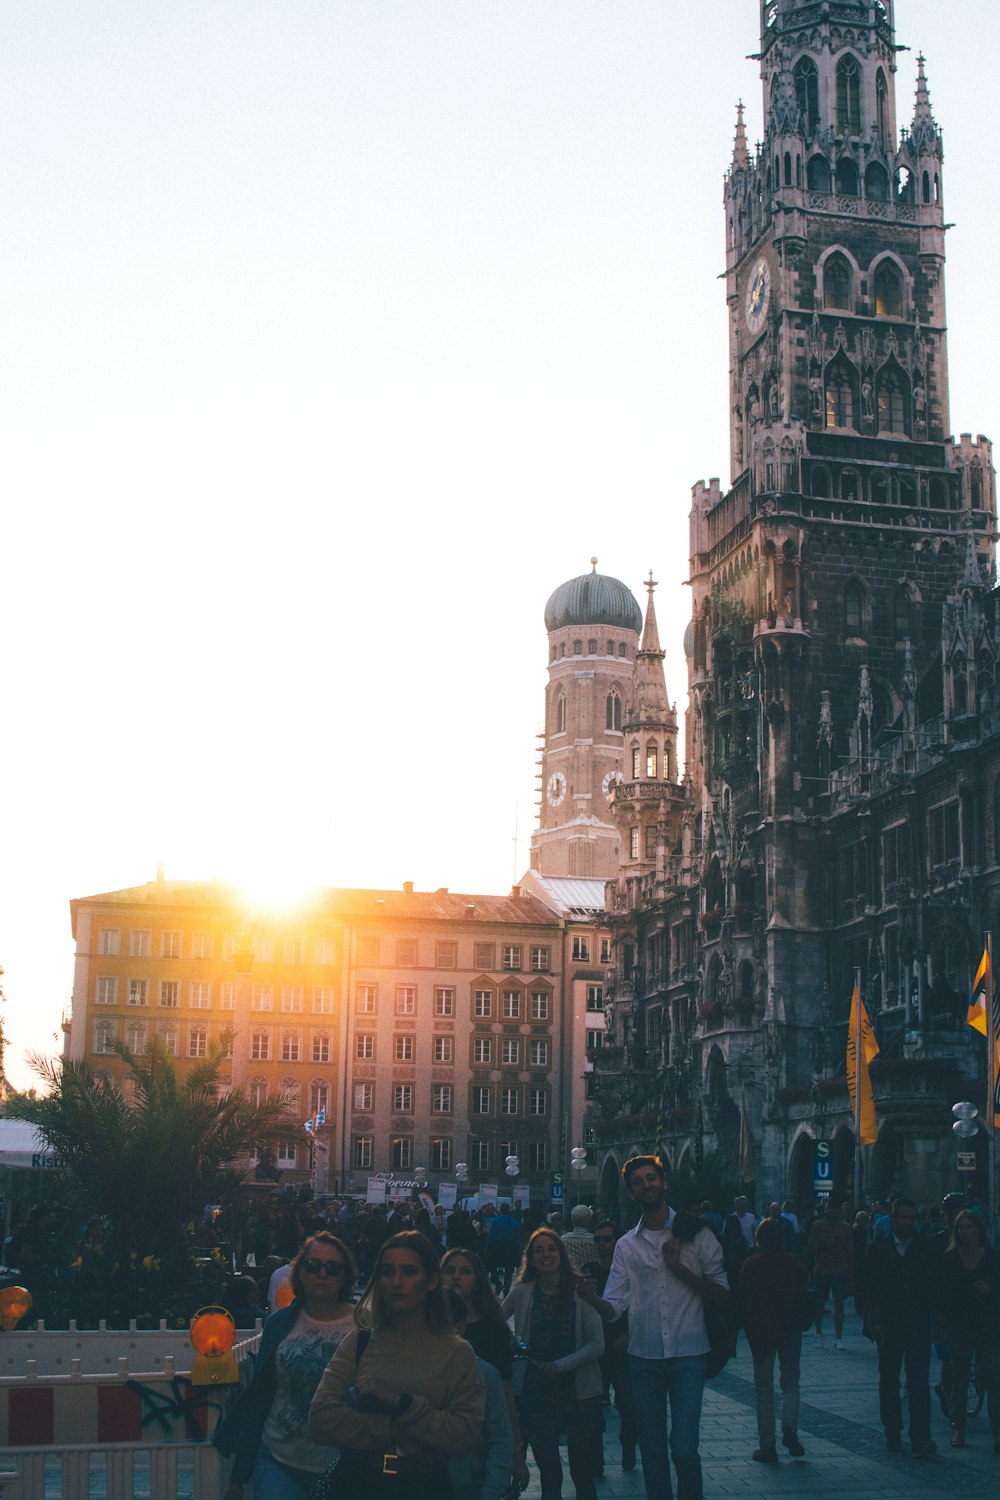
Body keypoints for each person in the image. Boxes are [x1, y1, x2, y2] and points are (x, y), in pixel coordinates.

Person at [578, 1155, 728, 1500]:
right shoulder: (627, 1245)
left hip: (690, 1353)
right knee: (653, 1449)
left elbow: (722, 1294)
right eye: (639, 1182)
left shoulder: (697, 1234)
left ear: (664, 1181)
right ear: (632, 1191)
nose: (647, 1185)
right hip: (643, 1358)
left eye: (652, 1178)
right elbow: (615, 1307)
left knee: (685, 1449)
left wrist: (682, 1272)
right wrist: (592, 1299)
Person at [309, 1230, 485, 1499]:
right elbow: (321, 1417)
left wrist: (398, 1403)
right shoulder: (360, 1341)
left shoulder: (457, 1352)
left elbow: (464, 1434)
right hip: (360, 1482)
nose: (396, 1281)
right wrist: (397, 1434)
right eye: (388, 1272)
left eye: (409, 1271)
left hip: (424, 1487)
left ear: (431, 1281)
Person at [213, 1232, 359, 1499]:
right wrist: (238, 1477)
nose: (322, 1274)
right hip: (278, 1458)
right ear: (300, 1272)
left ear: (345, 1276)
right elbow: (261, 1396)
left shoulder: (363, 1326)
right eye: (313, 1266)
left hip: (343, 1465)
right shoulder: (279, 1323)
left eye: (333, 1268)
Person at [502, 1228, 604, 1500]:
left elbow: (597, 1344)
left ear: (561, 1253)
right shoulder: (523, 1291)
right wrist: (515, 1345)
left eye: (551, 1248)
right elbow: (496, 1321)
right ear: (531, 1258)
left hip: (577, 1391)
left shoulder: (581, 1288)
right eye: (539, 1250)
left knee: (582, 1472)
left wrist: (562, 1365)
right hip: (537, 1391)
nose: (546, 1255)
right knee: (549, 1471)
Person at [441, 1247, 530, 1490]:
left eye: (465, 1271)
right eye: (450, 1271)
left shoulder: (493, 1331)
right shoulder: (423, 1326)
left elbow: (505, 1394)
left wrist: (516, 1452)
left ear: (477, 1281)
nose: (456, 1276)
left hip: (478, 1442)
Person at [865, 1196, 937, 1458]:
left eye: (911, 1218)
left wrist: (935, 1321)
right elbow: (870, 1289)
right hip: (889, 1325)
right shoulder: (879, 1248)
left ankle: (921, 1436)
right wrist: (873, 1322)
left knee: (919, 1381)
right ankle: (892, 1429)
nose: (908, 1223)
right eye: (903, 1218)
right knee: (889, 1379)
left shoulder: (923, 1247)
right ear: (893, 1219)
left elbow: (931, 1286)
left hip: (917, 1324)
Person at [738, 1219, 807, 1462]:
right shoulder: (794, 1263)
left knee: (764, 1389)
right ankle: (790, 1428)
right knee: (790, 1383)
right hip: (789, 1331)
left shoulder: (750, 1265)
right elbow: (802, 1296)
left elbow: (742, 1300)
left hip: (761, 1332)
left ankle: (767, 1445)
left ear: (759, 1239)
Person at [444, 1291, 516, 1500]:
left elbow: (499, 1438)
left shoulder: (484, 1374)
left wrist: (490, 1493)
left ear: (460, 1327)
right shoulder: (408, 1370)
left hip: (470, 1489)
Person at [940, 1209, 1000, 1452]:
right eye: (961, 1228)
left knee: (993, 1378)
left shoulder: (992, 1258)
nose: (965, 1232)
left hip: (987, 1325)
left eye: (968, 1227)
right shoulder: (951, 1258)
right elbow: (942, 1291)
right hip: (960, 1324)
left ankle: (997, 1433)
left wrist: (990, 1289)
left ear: (978, 1230)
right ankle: (959, 1427)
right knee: (961, 1377)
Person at [581, 1222, 637, 1472]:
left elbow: (638, 1306)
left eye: (607, 1239)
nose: (602, 1244)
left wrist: (628, 1334)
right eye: (598, 1239)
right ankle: (595, 1458)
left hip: (619, 1346)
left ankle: (628, 1445)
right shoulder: (588, 1272)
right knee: (591, 1405)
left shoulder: (626, 1270)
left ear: (616, 1242)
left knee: (626, 1402)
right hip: (595, 1347)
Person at [807, 1199, 853, 1349]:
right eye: (831, 1211)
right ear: (827, 1210)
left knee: (839, 1303)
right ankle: (818, 1332)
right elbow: (811, 1247)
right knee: (819, 1303)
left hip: (840, 1269)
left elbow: (849, 1249)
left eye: (837, 1212)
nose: (834, 1214)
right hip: (821, 1269)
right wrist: (826, 1243)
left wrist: (850, 1270)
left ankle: (838, 1337)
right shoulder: (817, 1226)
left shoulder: (845, 1227)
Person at [484, 1203, 522, 1296]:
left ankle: (498, 1283)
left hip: (498, 1246)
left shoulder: (496, 1221)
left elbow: (491, 1235)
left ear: (500, 1211)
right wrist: (519, 1249)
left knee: (492, 1266)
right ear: (508, 1211)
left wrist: (487, 1247)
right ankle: (506, 1291)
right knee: (509, 1269)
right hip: (510, 1247)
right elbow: (517, 1237)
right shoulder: (514, 1222)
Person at [562, 1206, 597, 1271]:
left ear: (572, 1220)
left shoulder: (563, 1239)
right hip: (590, 1276)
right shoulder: (595, 1240)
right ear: (588, 1220)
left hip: (570, 1277)